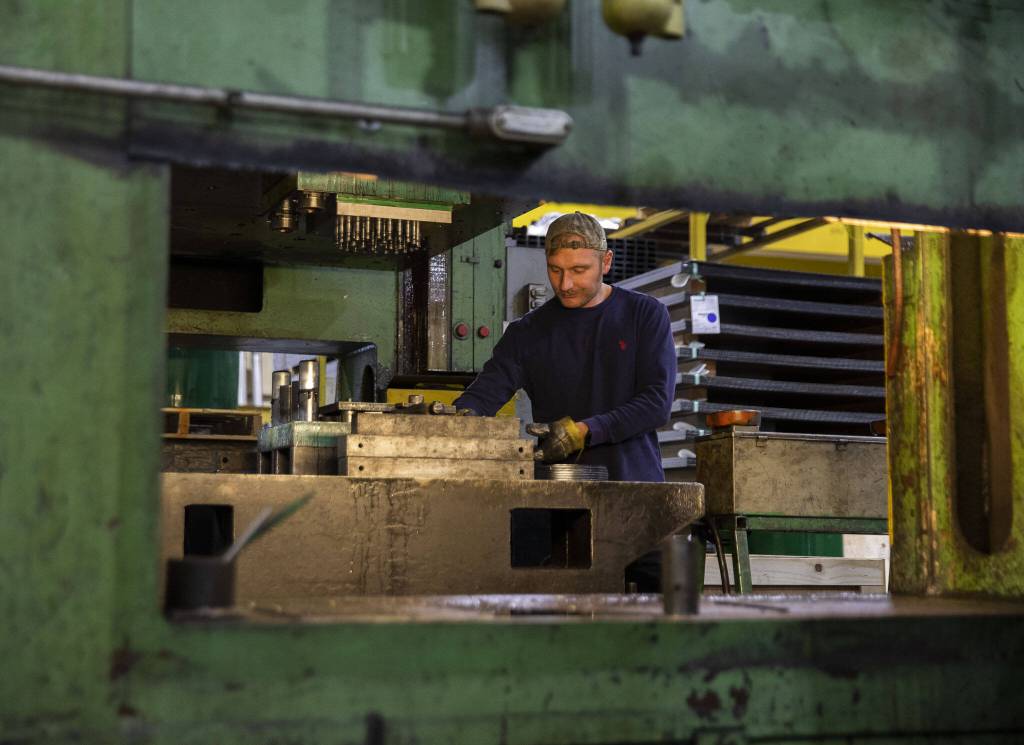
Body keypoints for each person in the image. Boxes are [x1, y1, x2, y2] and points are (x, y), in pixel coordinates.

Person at [454, 211, 676, 482]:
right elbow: (483, 396)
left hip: (634, 487)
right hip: (559, 492)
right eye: (555, 270)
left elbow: (656, 403)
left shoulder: (644, 314)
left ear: (605, 262)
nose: (565, 284)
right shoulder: (527, 332)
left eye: (578, 270)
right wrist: (454, 419)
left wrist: (583, 431)